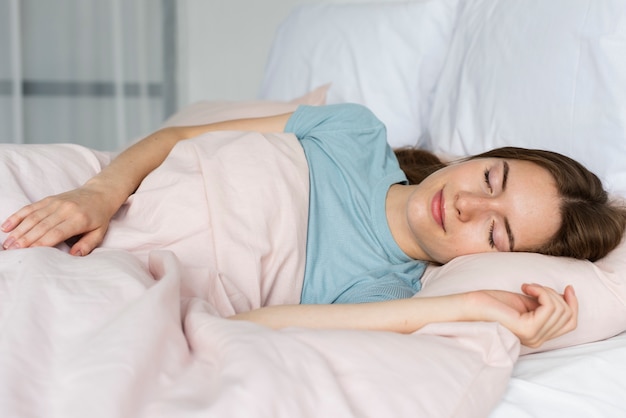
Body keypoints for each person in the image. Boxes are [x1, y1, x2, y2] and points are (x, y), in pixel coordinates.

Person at [2, 104, 625, 348]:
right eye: (491, 180)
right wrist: (100, 191)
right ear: (481, 156)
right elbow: (183, 136)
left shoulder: (386, 289)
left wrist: (475, 307)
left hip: (120, 278)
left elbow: (248, 328)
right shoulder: (354, 130)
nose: (468, 206)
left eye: (496, 236)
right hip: (102, 202)